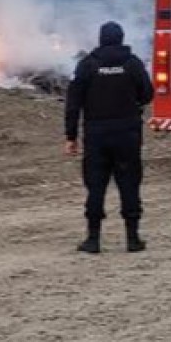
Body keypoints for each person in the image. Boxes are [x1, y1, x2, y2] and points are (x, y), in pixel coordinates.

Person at [64, 21, 154, 253]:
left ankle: (93, 240)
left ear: (100, 39)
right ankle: (133, 239)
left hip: (96, 136)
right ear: (122, 39)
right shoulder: (132, 64)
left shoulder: (87, 66)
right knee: (130, 184)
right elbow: (147, 94)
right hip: (128, 134)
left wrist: (71, 136)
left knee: (95, 186)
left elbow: (73, 103)